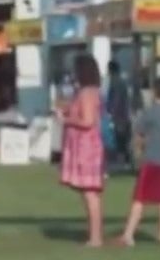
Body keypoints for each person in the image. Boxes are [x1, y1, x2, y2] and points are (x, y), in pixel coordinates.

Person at [117, 76, 160, 248]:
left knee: (140, 199)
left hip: (152, 161)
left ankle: (129, 234)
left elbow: (138, 133)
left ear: (154, 93)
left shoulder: (150, 112)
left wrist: (137, 151)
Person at [60, 54, 106, 247]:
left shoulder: (86, 93)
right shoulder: (91, 91)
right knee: (88, 193)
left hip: (86, 148)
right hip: (85, 146)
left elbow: (87, 121)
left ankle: (95, 237)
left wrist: (67, 120)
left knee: (90, 193)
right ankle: (94, 235)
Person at [105, 60, 132, 169]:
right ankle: (125, 161)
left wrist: (111, 112)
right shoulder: (121, 81)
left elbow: (116, 99)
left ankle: (123, 162)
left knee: (120, 138)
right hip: (124, 114)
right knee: (122, 138)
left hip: (119, 115)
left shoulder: (115, 81)